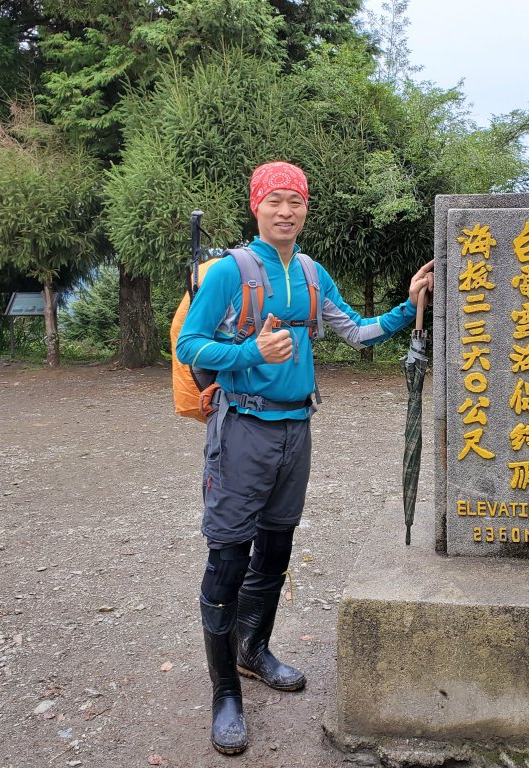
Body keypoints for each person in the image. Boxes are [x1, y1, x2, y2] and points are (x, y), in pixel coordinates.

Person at [175, 161, 434, 755]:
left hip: (296, 430)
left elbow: (356, 333)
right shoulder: (229, 272)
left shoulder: (313, 274)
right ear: (256, 207)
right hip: (240, 428)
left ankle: (253, 650)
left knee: (276, 547)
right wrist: (248, 350)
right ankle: (225, 696)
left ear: (305, 210)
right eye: (276, 201)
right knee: (227, 561)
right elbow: (192, 343)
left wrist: (407, 303)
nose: (286, 211)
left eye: (296, 202)